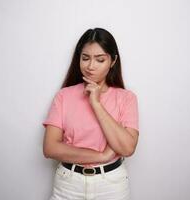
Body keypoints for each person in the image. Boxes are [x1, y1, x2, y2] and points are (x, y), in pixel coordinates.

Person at [42, 27, 139, 200]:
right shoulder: (64, 96)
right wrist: (101, 156)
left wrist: (96, 104)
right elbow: (50, 148)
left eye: (100, 60)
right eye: (85, 58)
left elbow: (127, 147)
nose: (90, 66)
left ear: (113, 61)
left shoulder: (126, 98)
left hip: (111, 186)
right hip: (68, 184)